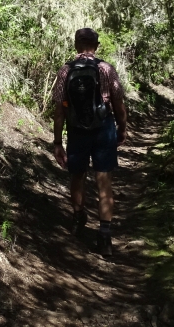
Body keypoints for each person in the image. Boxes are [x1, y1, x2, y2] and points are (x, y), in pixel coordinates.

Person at [51, 27, 127, 256]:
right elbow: (118, 104)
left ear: (76, 45)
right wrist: (122, 128)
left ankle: (78, 215)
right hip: (103, 129)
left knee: (77, 176)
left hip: (77, 130)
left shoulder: (65, 71)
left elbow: (59, 111)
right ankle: (104, 237)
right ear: (96, 45)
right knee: (104, 182)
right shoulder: (106, 69)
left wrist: (57, 142)